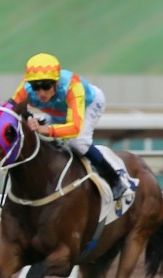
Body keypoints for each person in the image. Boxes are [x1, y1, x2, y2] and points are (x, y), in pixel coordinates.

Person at [8, 53, 128, 196]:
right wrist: (27, 117)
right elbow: (10, 107)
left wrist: (45, 129)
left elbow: (74, 128)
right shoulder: (25, 88)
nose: (41, 93)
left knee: (78, 142)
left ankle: (115, 181)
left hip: (88, 105)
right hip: (59, 111)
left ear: (56, 83)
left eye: (46, 86)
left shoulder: (72, 86)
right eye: (36, 87)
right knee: (40, 139)